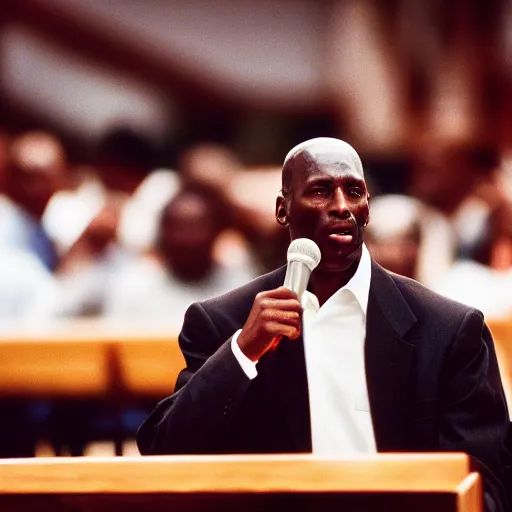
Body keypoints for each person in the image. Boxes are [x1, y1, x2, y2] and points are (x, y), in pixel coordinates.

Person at [137, 138, 511, 512]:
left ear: (367, 210)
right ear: (283, 210)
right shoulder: (224, 322)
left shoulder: (448, 329)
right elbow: (165, 453)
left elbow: (486, 483)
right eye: (320, 191)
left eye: (354, 192)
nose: (341, 206)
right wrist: (242, 353)